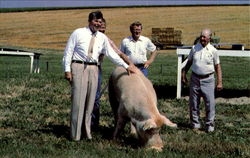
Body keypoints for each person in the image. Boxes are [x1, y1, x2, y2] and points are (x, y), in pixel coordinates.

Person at [63, 11, 136, 141]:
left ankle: (87, 132)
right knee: (78, 102)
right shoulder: (78, 33)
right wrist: (67, 70)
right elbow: (68, 52)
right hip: (79, 66)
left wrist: (126, 66)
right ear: (90, 21)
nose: (98, 24)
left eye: (100, 22)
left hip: (94, 68)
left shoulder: (102, 38)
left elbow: (112, 54)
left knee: (91, 101)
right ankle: (75, 135)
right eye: (96, 21)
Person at [182, 28, 223, 133]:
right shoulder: (194, 48)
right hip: (195, 79)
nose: (202, 38)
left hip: (208, 80)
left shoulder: (213, 51)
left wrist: (219, 82)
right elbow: (189, 62)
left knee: (210, 104)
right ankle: (195, 124)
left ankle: (209, 125)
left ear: (209, 38)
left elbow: (218, 67)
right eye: (201, 36)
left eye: (204, 37)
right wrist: (183, 75)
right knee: (193, 103)